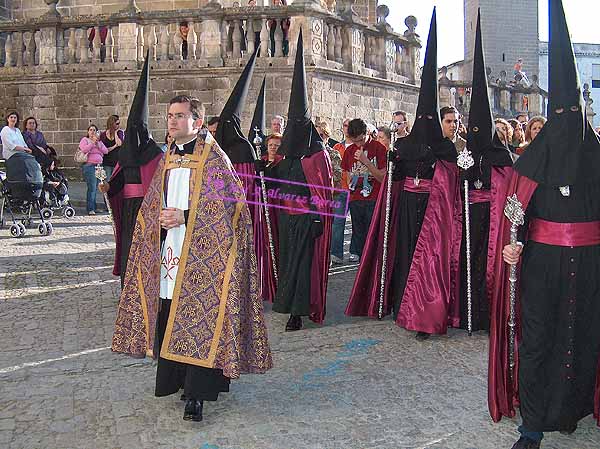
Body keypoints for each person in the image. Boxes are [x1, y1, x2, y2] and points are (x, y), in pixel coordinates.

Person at [112, 94, 273, 423]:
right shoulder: (169, 155)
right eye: (170, 115)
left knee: (200, 317)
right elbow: (155, 200)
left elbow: (231, 209)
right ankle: (179, 381)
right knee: (171, 314)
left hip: (203, 255)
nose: (171, 121)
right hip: (170, 249)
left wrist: (185, 216)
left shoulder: (214, 158)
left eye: (179, 116)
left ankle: (197, 396)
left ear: (197, 122)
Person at [488, 1, 600, 447]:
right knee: (537, 342)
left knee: (585, 337)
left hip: (591, 268)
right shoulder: (530, 164)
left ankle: (574, 409)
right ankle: (532, 425)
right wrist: (509, 246)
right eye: (561, 118)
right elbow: (513, 214)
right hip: (541, 267)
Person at [345, 8, 460, 341]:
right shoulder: (404, 146)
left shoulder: (445, 149)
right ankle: (398, 301)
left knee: (430, 257)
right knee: (406, 252)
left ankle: (425, 308)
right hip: (408, 206)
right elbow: (393, 180)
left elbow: (451, 180)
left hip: (433, 211)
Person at [260, 30, 333, 332]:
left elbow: (323, 189)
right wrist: (261, 172)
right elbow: (274, 180)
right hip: (287, 219)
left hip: (307, 219)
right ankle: (286, 305)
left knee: (303, 268)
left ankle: (298, 313)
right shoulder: (286, 156)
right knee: (290, 265)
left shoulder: (317, 155)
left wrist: (318, 216)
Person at [456, 12, 514, 334]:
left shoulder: (499, 154)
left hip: (492, 218)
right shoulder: (468, 152)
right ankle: (467, 313)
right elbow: (457, 181)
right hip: (468, 215)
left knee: (488, 264)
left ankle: (488, 313)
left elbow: (507, 186)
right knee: (468, 262)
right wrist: (464, 173)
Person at [100, 55, 165, 284]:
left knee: (146, 246)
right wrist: (107, 186)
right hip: (129, 207)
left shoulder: (155, 153)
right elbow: (119, 181)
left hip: (147, 208)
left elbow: (160, 184)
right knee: (129, 245)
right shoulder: (126, 152)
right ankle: (129, 285)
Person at [341, 118, 387, 263]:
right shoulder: (349, 150)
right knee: (357, 227)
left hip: (373, 197)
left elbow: (382, 177)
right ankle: (356, 251)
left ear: (366, 132)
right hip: (356, 197)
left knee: (371, 229)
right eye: (355, 141)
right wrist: (351, 189)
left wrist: (365, 161)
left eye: (361, 140)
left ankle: (371, 256)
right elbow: (347, 173)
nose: (358, 144)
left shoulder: (379, 149)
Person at [330, 119, 351, 265]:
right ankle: (336, 254)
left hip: (356, 190)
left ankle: (358, 252)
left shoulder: (360, 147)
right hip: (340, 190)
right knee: (337, 221)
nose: (347, 128)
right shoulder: (337, 146)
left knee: (358, 223)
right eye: (344, 125)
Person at [79, 124, 108, 215]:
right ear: (88, 132)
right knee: (92, 188)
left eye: (94, 130)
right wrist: (92, 143)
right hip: (89, 166)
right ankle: (90, 208)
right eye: (91, 130)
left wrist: (98, 144)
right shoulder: (85, 140)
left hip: (99, 166)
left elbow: (105, 151)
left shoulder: (99, 142)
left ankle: (94, 207)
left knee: (98, 187)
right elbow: (84, 150)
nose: (92, 132)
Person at [99, 115, 124, 182]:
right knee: (108, 181)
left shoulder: (119, 132)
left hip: (117, 161)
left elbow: (119, 143)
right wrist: (115, 146)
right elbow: (105, 149)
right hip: (107, 161)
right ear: (112, 123)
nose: (118, 125)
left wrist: (115, 133)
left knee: (116, 181)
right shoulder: (103, 135)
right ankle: (108, 193)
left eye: (119, 123)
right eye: (117, 123)